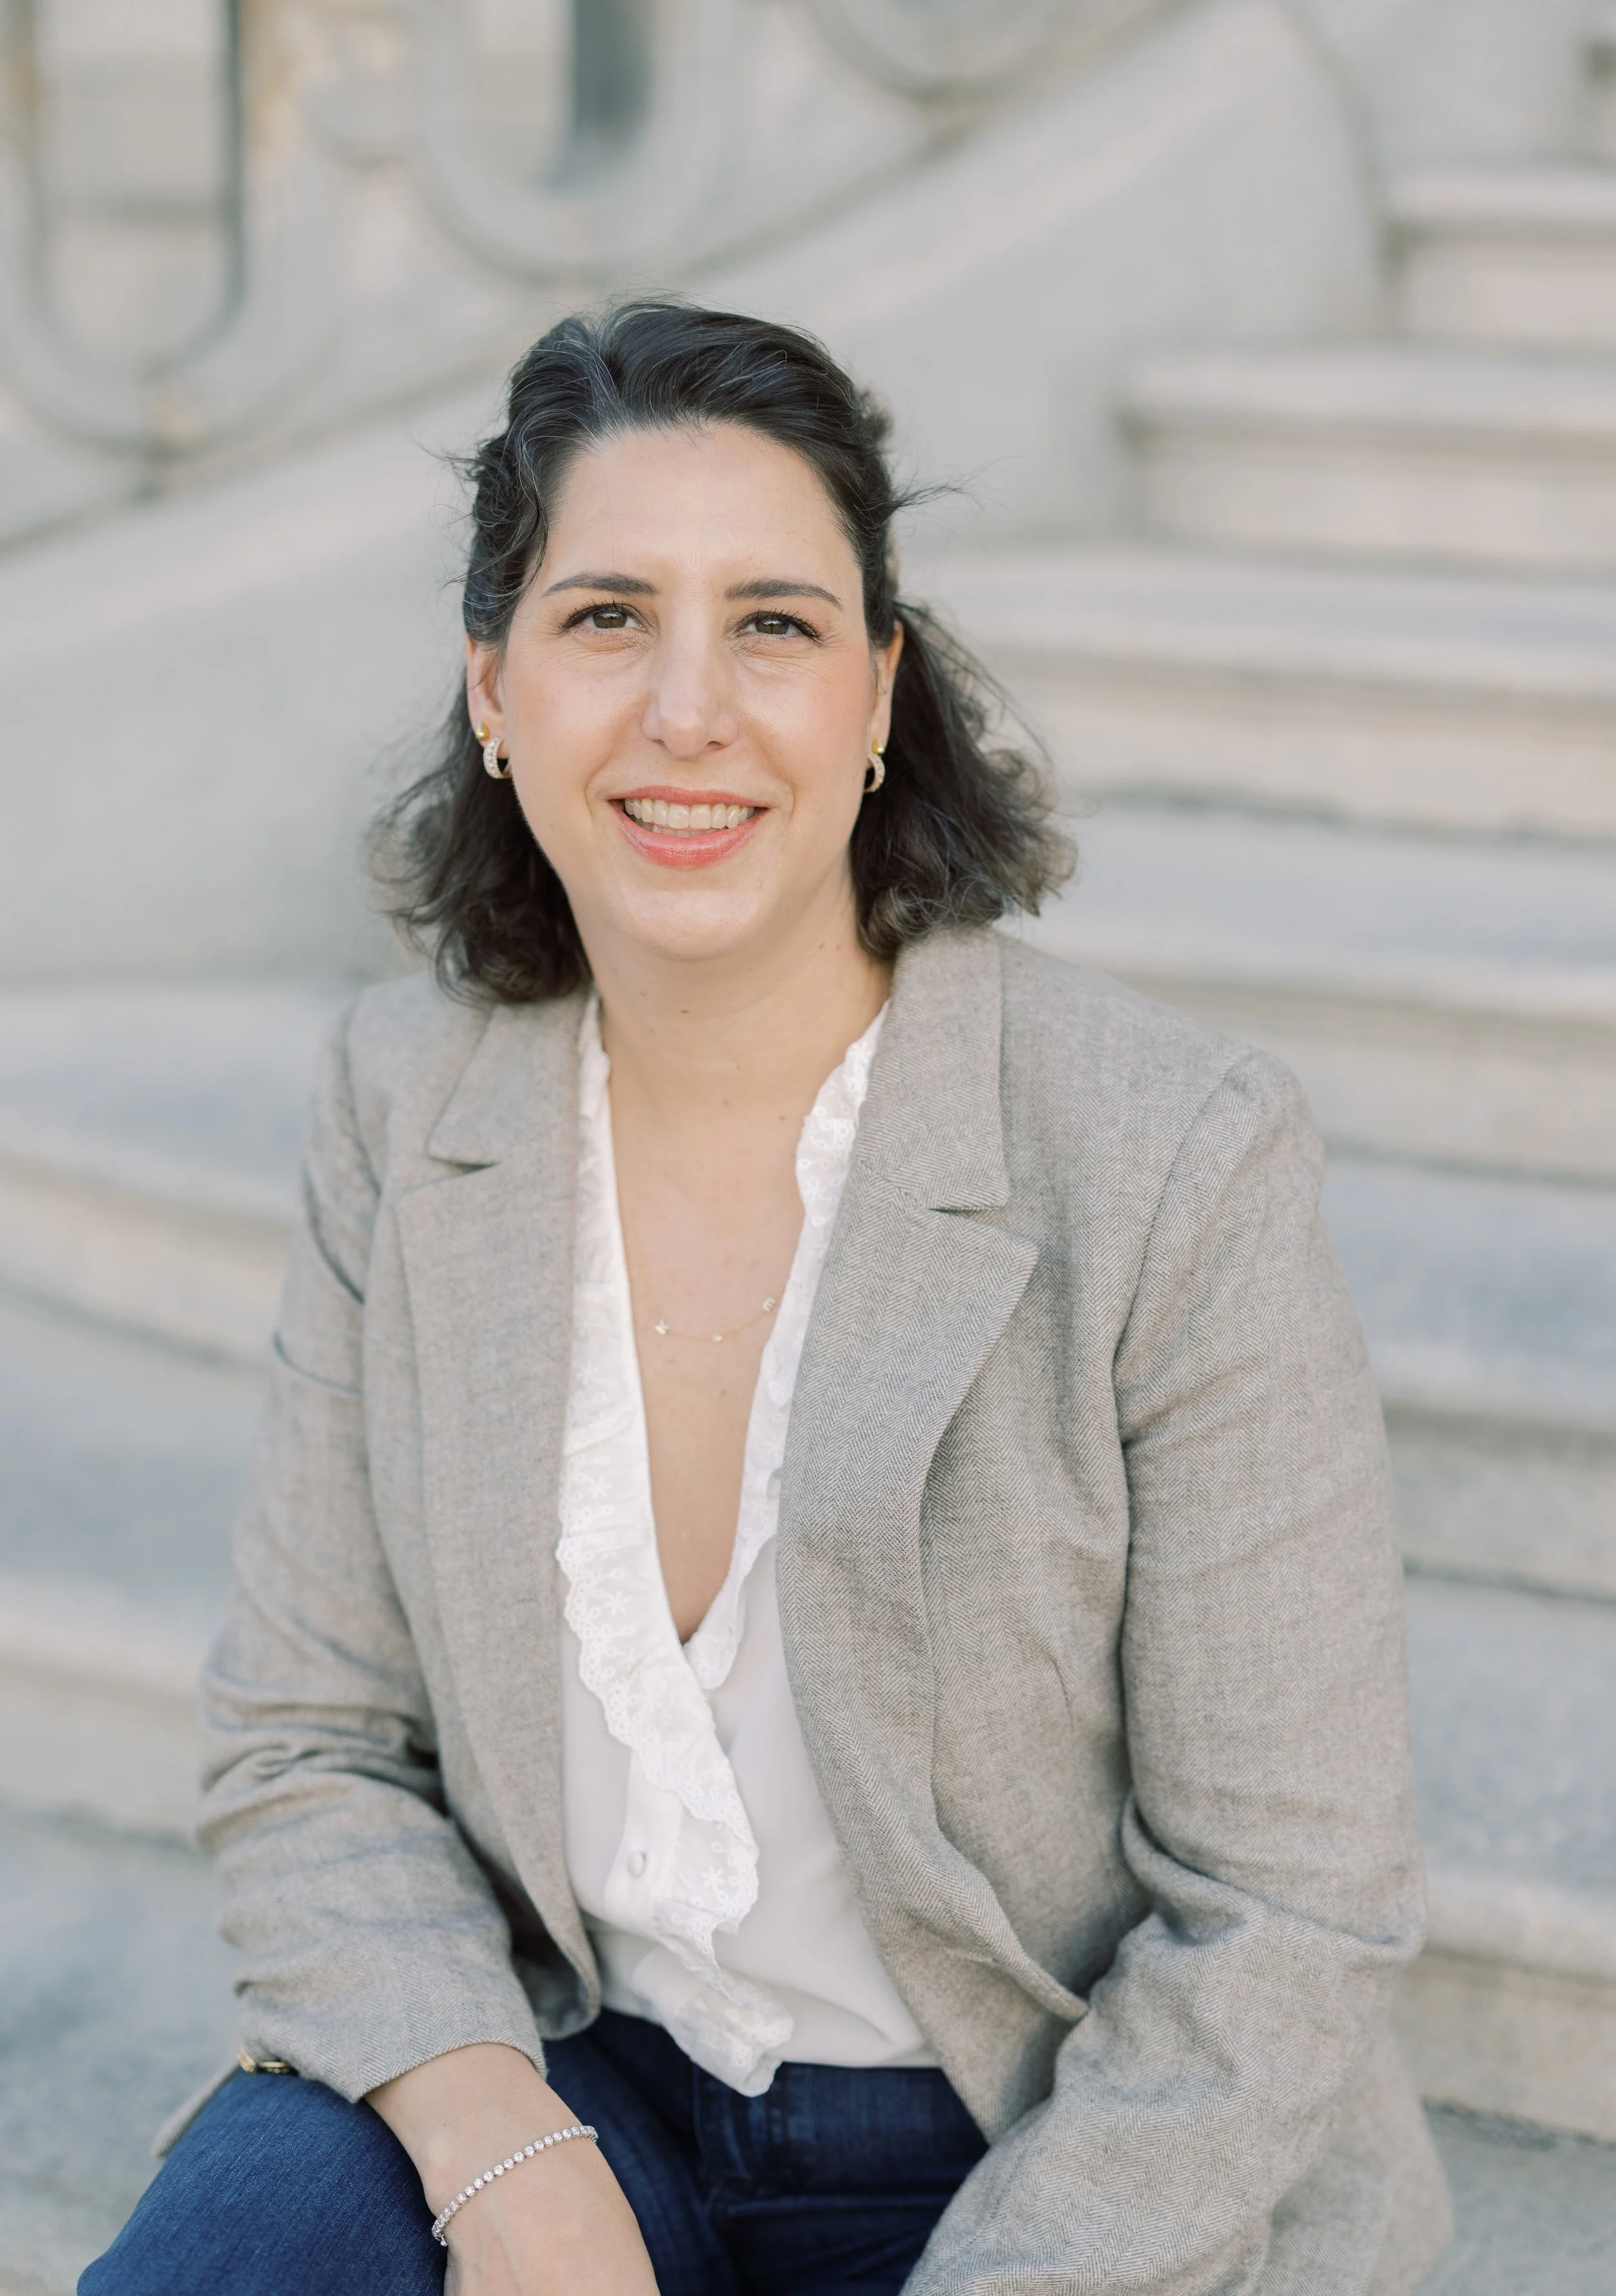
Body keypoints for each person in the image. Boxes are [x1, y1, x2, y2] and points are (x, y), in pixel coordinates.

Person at [83, 299, 1451, 2296]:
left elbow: (1289, 1907)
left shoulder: (1168, 1154)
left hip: (1040, 2150)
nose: (688, 710)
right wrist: (499, 2147)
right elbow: (310, 1743)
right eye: (607, 615)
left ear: (882, 689)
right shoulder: (406, 1101)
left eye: (777, 624)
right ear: (492, 682)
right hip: (581, 2089)